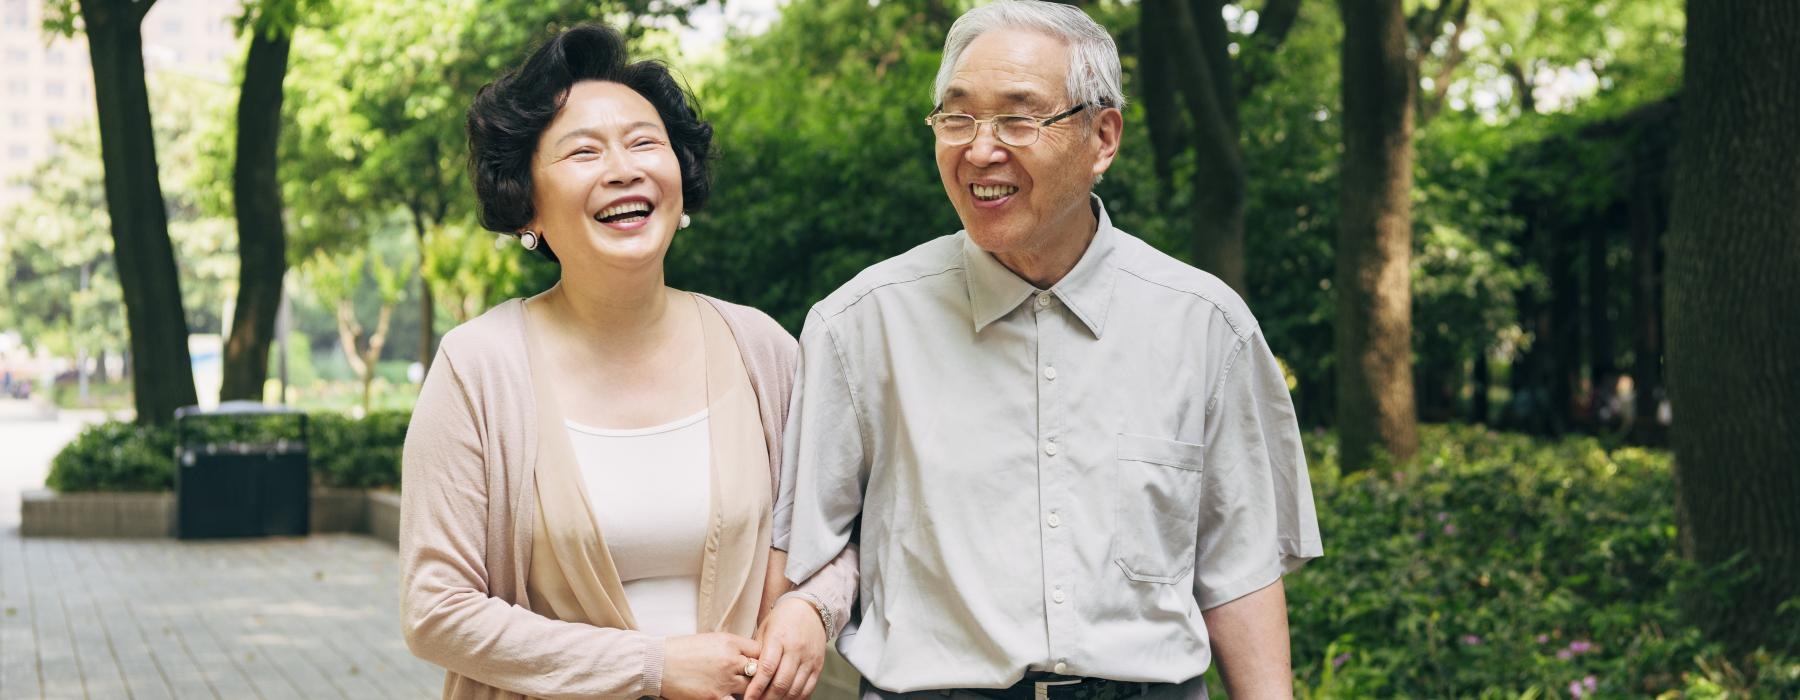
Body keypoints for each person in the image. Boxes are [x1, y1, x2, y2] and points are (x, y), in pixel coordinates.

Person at [776, 2, 1322, 698]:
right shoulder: (860, 326)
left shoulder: (1205, 325)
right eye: (957, 116)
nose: (979, 149)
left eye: (1017, 117)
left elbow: (1240, 571)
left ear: (1103, 137)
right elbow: (802, 557)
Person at [400, 25, 854, 700]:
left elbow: (838, 530)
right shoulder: (478, 369)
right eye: (583, 152)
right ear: (526, 203)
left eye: (645, 142)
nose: (623, 168)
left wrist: (812, 608)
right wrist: (653, 666)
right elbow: (436, 611)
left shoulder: (761, 348)